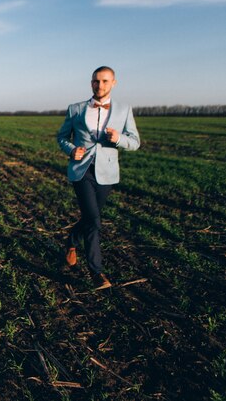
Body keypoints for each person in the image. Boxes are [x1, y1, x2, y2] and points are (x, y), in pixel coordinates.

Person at [57, 66, 140, 290]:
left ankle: (72, 241)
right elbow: (62, 137)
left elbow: (135, 142)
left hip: (107, 173)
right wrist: (71, 149)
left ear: (113, 83)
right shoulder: (75, 109)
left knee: (89, 217)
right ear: (91, 83)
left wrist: (119, 138)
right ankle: (97, 273)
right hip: (81, 171)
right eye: (96, 81)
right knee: (94, 221)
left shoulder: (124, 109)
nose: (99, 85)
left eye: (104, 81)